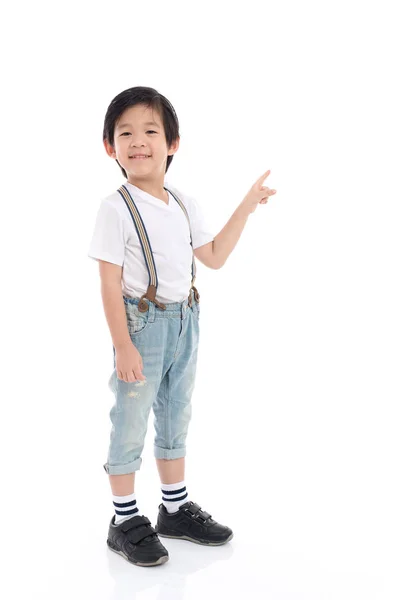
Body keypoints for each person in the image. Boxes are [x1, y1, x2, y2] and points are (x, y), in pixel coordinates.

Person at [88, 86, 276, 567]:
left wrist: (246, 208)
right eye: (125, 132)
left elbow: (212, 258)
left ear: (172, 143)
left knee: (176, 414)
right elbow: (109, 284)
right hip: (142, 325)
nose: (138, 141)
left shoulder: (184, 202)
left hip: (187, 319)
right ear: (110, 146)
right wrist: (123, 345)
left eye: (151, 131)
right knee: (130, 418)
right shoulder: (116, 207)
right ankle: (124, 519)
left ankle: (173, 508)